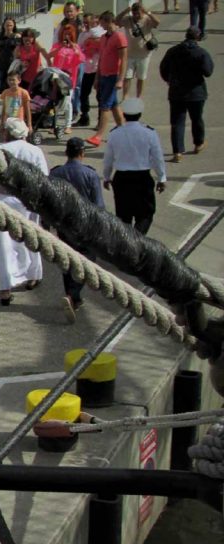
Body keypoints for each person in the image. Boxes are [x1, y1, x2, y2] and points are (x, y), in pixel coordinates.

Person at [0, 117, 47, 305]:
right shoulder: (35, 151)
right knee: (31, 236)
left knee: (3, 243)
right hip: (28, 200)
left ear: (7, 133)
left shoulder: (1, 151)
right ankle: (33, 276)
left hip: (5, 198)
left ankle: (5, 287)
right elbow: (44, 177)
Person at [49, 138, 104, 323]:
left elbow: (49, 200)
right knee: (87, 261)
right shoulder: (90, 174)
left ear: (66, 153)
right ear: (82, 153)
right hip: (85, 225)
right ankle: (73, 295)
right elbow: (98, 205)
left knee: (67, 260)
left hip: (64, 223)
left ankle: (72, 296)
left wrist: (47, 223)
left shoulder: (56, 173)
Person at [102, 97, 167, 235]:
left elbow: (108, 158)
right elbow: (157, 157)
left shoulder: (115, 133)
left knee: (124, 215)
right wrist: (161, 177)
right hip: (142, 178)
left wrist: (107, 177)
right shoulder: (149, 133)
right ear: (140, 114)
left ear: (123, 114)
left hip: (122, 178)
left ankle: (128, 243)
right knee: (145, 214)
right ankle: (137, 241)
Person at [159, 26, 214, 163]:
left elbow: (163, 68)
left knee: (177, 122)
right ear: (197, 37)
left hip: (176, 91)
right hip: (196, 92)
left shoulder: (173, 51)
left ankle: (177, 152)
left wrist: (169, 80)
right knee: (197, 119)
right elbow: (208, 72)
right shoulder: (201, 53)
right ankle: (198, 143)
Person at [86, 12, 128, 148]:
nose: (100, 25)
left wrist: (121, 79)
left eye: (102, 22)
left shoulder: (119, 37)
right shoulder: (104, 37)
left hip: (113, 75)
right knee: (113, 105)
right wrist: (97, 77)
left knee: (105, 105)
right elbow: (102, 58)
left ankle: (99, 135)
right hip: (104, 74)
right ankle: (125, 131)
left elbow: (124, 59)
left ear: (108, 21)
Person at [116, 3, 159, 99]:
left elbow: (157, 22)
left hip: (144, 55)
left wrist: (148, 12)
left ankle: (138, 97)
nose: (136, 16)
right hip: (130, 54)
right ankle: (125, 97)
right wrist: (125, 11)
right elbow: (116, 21)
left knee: (141, 77)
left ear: (142, 12)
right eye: (134, 13)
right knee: (127, 77)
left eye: (138, 13)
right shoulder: (128, 19)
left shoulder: (147, 19)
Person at [47, 25, 85, 132]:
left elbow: (81, 59)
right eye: (64, 33)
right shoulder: (57, 45)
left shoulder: (76, 47)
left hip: (69, 77)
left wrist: (74, 48)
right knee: (56, 100)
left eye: (69, 34)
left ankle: (68, 125)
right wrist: (59, 48)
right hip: (57, 77)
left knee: (67, 101)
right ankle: (56, 125)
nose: (66, 36)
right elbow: (49, 55)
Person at [77, 13, 106, 128]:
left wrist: (93, 41)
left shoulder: (100, 32)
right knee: (83, 94)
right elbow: (79, 49)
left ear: (95, 21)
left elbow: (101, 44)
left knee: (100, 95)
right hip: (87, 69)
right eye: (84, 22)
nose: (85, 24)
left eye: (88, 22)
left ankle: (100, 121)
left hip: (98, 68)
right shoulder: (83, 34)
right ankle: (84, 117)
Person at [0, 17, 21, 117]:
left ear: (14, 26)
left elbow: (18, 52)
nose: (8, 27)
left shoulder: (16, 38)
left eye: (11, 25)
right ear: (3, 26)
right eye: (7, 25)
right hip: (0, 67)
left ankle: (9, 111)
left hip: (11, 68)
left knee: (10, 90)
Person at [0, 71, 33, 139]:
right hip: (8, 121)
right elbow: (4, 109)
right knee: (7, 140)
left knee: (21, 139)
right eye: (9, 80)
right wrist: (2, 123)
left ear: (19, 80)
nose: (11, 82)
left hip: (19, 121)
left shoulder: (23, 93)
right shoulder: (5, 92)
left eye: (13, 80)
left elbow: (27, 110)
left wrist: (29, 124)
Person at [14, 29, 46, 93]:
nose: (28, 39)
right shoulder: (19, 47)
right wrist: (22, 63)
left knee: (34, 97)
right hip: (24, 77)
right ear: (22, 38)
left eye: (30, 37)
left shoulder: (36, 46)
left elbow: (44, 52)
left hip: (36, 77)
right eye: (25, 36)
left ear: (33, 38)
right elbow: (16, 61)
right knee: (23, 96)